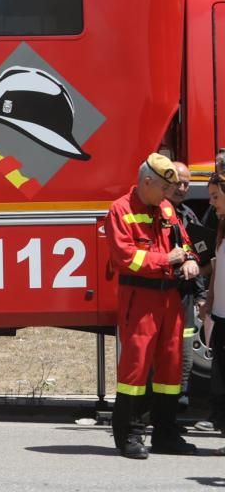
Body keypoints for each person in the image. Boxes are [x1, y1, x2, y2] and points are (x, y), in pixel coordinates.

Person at [106, 153, 200, 459]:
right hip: (141, 300)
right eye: (164, 188)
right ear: (147, 182)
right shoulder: (120, 210)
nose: (168, 195)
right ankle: (129, 435)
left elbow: (183, 243)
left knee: (171, 370)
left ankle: (165, 433)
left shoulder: (166, 208)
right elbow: (125, 258)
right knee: (135, 369)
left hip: (171, 299)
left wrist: (189, 260)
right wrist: (167, 260)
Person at [168, 162, 214, 414]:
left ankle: (179, 398)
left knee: (184, 353)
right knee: (162, 354)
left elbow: (197, 256)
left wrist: (199, 294)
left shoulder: (188, 215)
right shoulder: (157, 215)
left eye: (187, 183)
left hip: (184, 295)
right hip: (161, 293)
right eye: (178, 182)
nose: (183, 188)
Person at [202, 174, 225, 433]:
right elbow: (218, 265)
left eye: (215, 196)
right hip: (220, 315)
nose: (211, 202)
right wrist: (209, 296)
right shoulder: (221, 224)